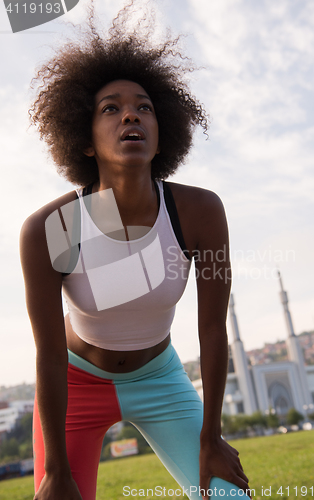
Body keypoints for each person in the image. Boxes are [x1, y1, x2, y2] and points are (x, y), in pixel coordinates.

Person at [20, 2, 251, 499]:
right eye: (111, 108)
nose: (131, 114)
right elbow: (46, 355)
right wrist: (56, 470)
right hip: (75, 384)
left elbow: (212, 330)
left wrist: (210, 437)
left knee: (230, 496)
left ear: (161, 128)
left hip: (162, 378)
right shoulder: (54, 227)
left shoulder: (198, 212)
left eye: (144, 107)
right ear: (85, 141)